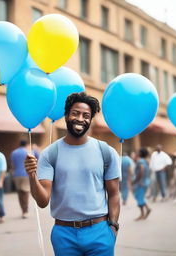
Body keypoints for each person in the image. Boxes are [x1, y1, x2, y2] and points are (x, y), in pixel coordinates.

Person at [25, 92, 121, 256]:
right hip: (64, 234)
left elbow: (114, 194)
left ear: (90, 120)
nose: (80, 119)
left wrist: (113, 227)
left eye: (86, 115)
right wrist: (32, 176)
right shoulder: (50, 153)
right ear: (67, 116)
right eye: (75, 113)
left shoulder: (106, 151)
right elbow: (42, 201)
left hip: (100, 232)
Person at [11, 140, 39, 219]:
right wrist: (35, 148)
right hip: (26, 174)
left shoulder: (14, 152)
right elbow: (38, 157)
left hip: (17, 174)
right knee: (26, 192)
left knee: (20, 193)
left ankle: (23, 210)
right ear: (26, 145)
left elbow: (12, 164)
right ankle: (26, 211)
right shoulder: (29, 152)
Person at [132, 148, 151, 220]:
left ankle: (142, 214)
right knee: (140, 197)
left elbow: (142, 169)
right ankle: (147, 209)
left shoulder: (140, 161)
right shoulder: (145, 161)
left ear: (140, 153)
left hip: (141, 183)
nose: (136, 153)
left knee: (139, 197)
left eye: (138, 152)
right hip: (145, 182)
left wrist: (136, 180)